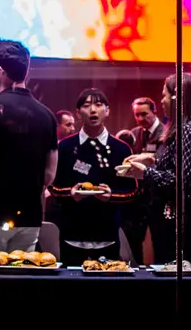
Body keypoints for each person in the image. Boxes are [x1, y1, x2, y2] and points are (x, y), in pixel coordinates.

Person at [0, 38, 59, 257]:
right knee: (18, 283)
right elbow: (49, 176)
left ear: (0, 71)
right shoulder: (47, 115)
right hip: (29, 219)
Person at [124, 72, 191, 264]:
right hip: (182, 216)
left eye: (164, 95)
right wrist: (152, 159)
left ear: (178, 99)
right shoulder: (186, 127)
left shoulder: (188, 129)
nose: (162, 101)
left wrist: (145, 173)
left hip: (186, 218)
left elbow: (180, 181)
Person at [54, 88, 137, 265]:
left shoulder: (121, 149)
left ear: (107, 111)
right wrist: (71, 193)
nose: (93, 110)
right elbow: (53, 186)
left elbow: (133, 190)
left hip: (107, 234)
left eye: (98, 105)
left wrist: (111, 196)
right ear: (78, 113)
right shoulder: (65, 147)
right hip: (72, 233)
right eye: (86, 106)